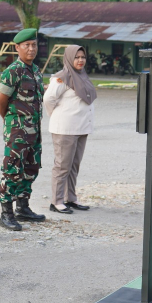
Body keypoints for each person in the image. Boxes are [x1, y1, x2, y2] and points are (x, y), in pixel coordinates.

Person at [0, 28, 46, 231]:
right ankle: (6, 213)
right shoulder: (13, 71)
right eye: (27, 45)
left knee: (31, 168)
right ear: (17, 48)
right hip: (18, 130)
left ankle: (22, 207)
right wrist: (12, 122)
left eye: (34, 45)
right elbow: (1, 101)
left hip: (34, 130)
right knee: (12, 170)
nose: (31, 49)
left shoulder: (35, 70)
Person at [43, 45, 96, 214]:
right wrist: (57, 116)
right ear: (68, 58)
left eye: (83, 57)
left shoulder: (82, 76)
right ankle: (56, 201)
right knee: (62, 166)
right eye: (76, 57)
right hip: (65, 129)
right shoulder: (61, 78)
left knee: (74, 165)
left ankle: (71, 198)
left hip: (81, 128)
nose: (80, 60)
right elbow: (49, 99)